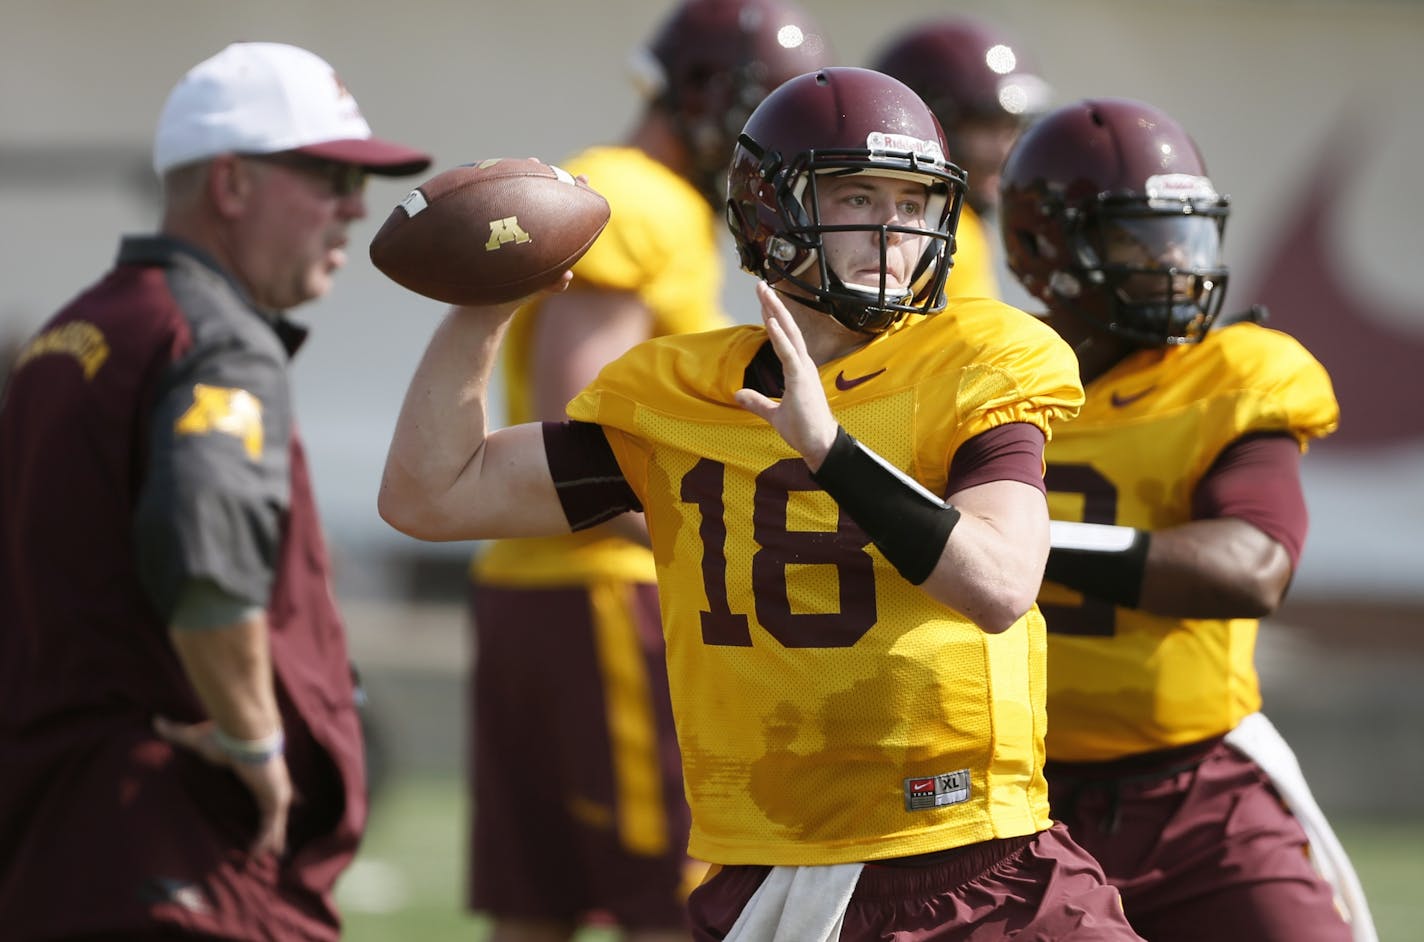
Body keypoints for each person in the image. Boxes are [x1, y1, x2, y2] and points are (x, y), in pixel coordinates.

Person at [381, 66, 1145, 939]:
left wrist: (830, 451)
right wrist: (484, 308)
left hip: (973, 855)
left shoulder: (979, 356)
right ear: (772, 213)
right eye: (859, 197)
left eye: (913, 201)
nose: (894, 231)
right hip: (769, 865)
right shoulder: (680, 394)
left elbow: (1001, 581)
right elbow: (430, 495)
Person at [0, 41, 431, 940]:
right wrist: (257, 744)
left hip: (53, 833)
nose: (354, 210)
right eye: (327, 177)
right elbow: (206, 556)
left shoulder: (70, 333)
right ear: (231, 185)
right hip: (180, 848)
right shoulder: (220, 342)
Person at [463, 2, 831, 939]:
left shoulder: (622, 189)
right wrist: (729, 542)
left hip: (535, 587)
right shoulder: (646, 199)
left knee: (536, 906)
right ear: (712, 98)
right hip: (604, 595)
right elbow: (582, 424)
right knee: (673, 902)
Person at [998, 97, 1376, 941]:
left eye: (1188, 233)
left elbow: (1251, 567)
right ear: (1038, 249)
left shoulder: (1235, 372)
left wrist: (1011, 542)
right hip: (1007, 804)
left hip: (1196, 795)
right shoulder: (976, 371)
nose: (1176, 262)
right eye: (1140, 238)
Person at [867, 15, 1050, 304]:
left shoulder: (966, 225)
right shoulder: (944, 233)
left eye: (1013, 129)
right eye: (986, 128)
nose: (1007, 151)